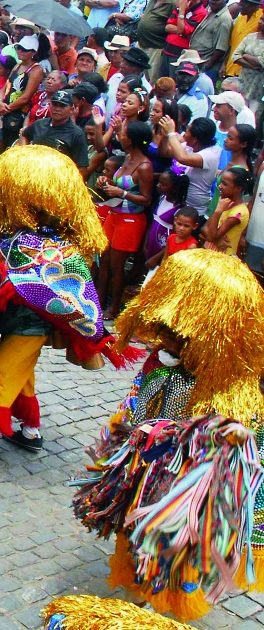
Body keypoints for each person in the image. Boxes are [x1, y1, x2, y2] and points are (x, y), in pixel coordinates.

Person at [70, 250, 264, 622]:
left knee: (166, 562)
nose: (166, 341)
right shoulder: (160, 364)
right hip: (141, 479)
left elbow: (224, 468)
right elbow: (135, 408)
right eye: (166, 331)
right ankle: (135, 600)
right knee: (133, 545)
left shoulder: (234, 396)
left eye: (180, 335)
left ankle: (152, 610)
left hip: (180, 498)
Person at [0, 145, 126, 458]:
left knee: (2, 372)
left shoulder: (63, 248)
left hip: (32, 325)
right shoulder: (12, 231)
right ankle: (30, 431)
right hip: (7, 317)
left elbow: (56, 290)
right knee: (22, 375)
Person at [94, 119, 155, 317]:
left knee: (116, 265)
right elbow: (121, 185)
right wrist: (107, 182)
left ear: (134, 140)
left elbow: (146, 199)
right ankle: (99, 300)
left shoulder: (144, 167)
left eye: (125, 134)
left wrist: (121, 193)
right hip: (114, 216)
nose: (120, 136)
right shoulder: (127, 158)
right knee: (104, 260)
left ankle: (113, 308)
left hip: (131, 221)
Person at [19, 88, 89, 169]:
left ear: (71, 109)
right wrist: (23, 153)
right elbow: (24, 134)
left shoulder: (77, 134)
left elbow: (82, 168)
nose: (57, 109)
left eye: (62, 106)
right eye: (55, 104)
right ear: (50, 105)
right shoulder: (39, 124)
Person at [203, 164, 251, 254]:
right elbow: (204, 228)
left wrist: (218, 212)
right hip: (209, 253)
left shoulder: (238, 213)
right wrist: (216, 240)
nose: (220, 186)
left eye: (225, 184)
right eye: (221, 182)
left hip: (222, 259)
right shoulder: (224, 203)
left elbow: (210, 237)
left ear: (239, 188)